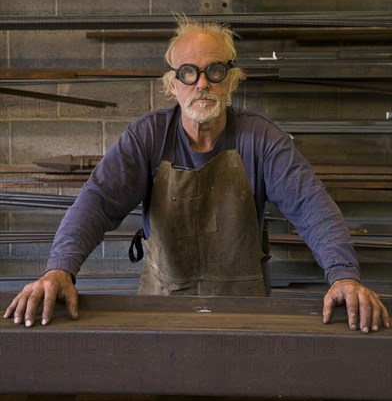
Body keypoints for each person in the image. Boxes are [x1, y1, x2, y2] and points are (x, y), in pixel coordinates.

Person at [4, 18, 389, 333]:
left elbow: (311, 206)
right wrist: (59, 269)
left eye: (215, 70)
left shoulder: (261, 138)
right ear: (172, 84)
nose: (202, 83)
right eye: (188, 72)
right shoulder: (147, 136)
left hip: (244, 314)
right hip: (161, 308)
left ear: (232, 80)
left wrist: (344, 276)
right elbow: (97, 203)